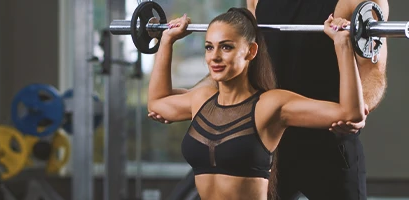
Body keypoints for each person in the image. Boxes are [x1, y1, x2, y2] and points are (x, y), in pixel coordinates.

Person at [150, 0, 390, 199]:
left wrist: (358, 109)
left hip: (328, 137)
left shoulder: (356, 1)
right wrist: (208, 104)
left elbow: (372, 70)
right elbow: (242, 55)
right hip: (266, 137)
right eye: (209, 48)